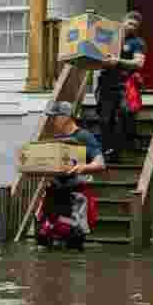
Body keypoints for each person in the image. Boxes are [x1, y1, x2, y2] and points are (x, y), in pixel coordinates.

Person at [34, 100, 105, 248]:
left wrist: (83, 167)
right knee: (44, 238)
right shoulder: (56, 140)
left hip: (74, 199)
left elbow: (100, 164)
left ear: (65, 117)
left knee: (72, 241)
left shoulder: (84, 137)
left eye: (54, 117)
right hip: (54, 198)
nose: (52, 121)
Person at [96, 11, 146, 163]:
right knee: (105, 119)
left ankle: (127, 142)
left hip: (125, 84)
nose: (131, 27)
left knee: (126, 113)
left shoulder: (137, 42)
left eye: (135, 25)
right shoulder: (108, 38)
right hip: (106, 83)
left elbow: (139, 63)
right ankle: (108, 150)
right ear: (123, 22)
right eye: (129, 23)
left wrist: (117, 61)